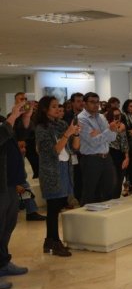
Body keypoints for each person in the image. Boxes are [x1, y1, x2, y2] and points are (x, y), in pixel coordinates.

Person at [35, 96, 80, 257]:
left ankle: (50, 241)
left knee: (60, 204)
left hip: (65, 168)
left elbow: (74, 148)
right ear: (44, 109)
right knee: (53, 207)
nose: (57, 109)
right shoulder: (41, 128)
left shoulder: (61, 124)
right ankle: (54, 241)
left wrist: (76, 134)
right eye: (53, 106)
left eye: (57, 106)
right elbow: (52, 152)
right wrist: (67, 134)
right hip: (51, 171)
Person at [0, 102, 31, 289]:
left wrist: (24, 118)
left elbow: (16, 137)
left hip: (9, 183)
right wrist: (12, 117)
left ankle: (3, 262)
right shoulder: (5, 123)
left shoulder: (3, 122)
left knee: (7, 225)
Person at [77, 92, 120, 205]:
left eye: (97, 102)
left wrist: (102, 133)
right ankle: (85, 215)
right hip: (91, 159)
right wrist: (108, 131)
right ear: (85, 103)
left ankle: (105, 214)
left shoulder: (101, 116)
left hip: (106, 157)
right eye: (92, 102)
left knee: (109, 188)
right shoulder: (81, 119)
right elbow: (93, 142)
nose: (96, 105)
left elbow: (112, 138)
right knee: (90, 192)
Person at [16, 141, 46, 221]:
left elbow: (22, 174)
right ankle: (30, 212)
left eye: (24, 147)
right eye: (21, 147)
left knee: (26, 187)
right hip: (10, 183)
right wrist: (15, 185)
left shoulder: (20, 156)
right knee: (25, 187)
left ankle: (31, 212)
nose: (24, 150)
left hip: (19, 180)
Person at [12, 92, 39, 178]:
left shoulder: (33, 115)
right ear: (15, 102)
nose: (24, 101)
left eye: (25, 99)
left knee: (37, 168)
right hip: (18, 146)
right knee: (18, 170)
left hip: (32, 145)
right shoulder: (11, 116)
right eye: (21, 99)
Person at [105, 107, 129, 198]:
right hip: (109, 153)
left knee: (119, 179)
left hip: (120, 154)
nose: (117, 117)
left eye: (119, 115)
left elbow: (124, 142)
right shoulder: (106, 126)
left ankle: (117, 198)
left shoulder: (122, 125)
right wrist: (115, 129)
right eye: (115, 116)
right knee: (112, 181)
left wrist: (127, 157)